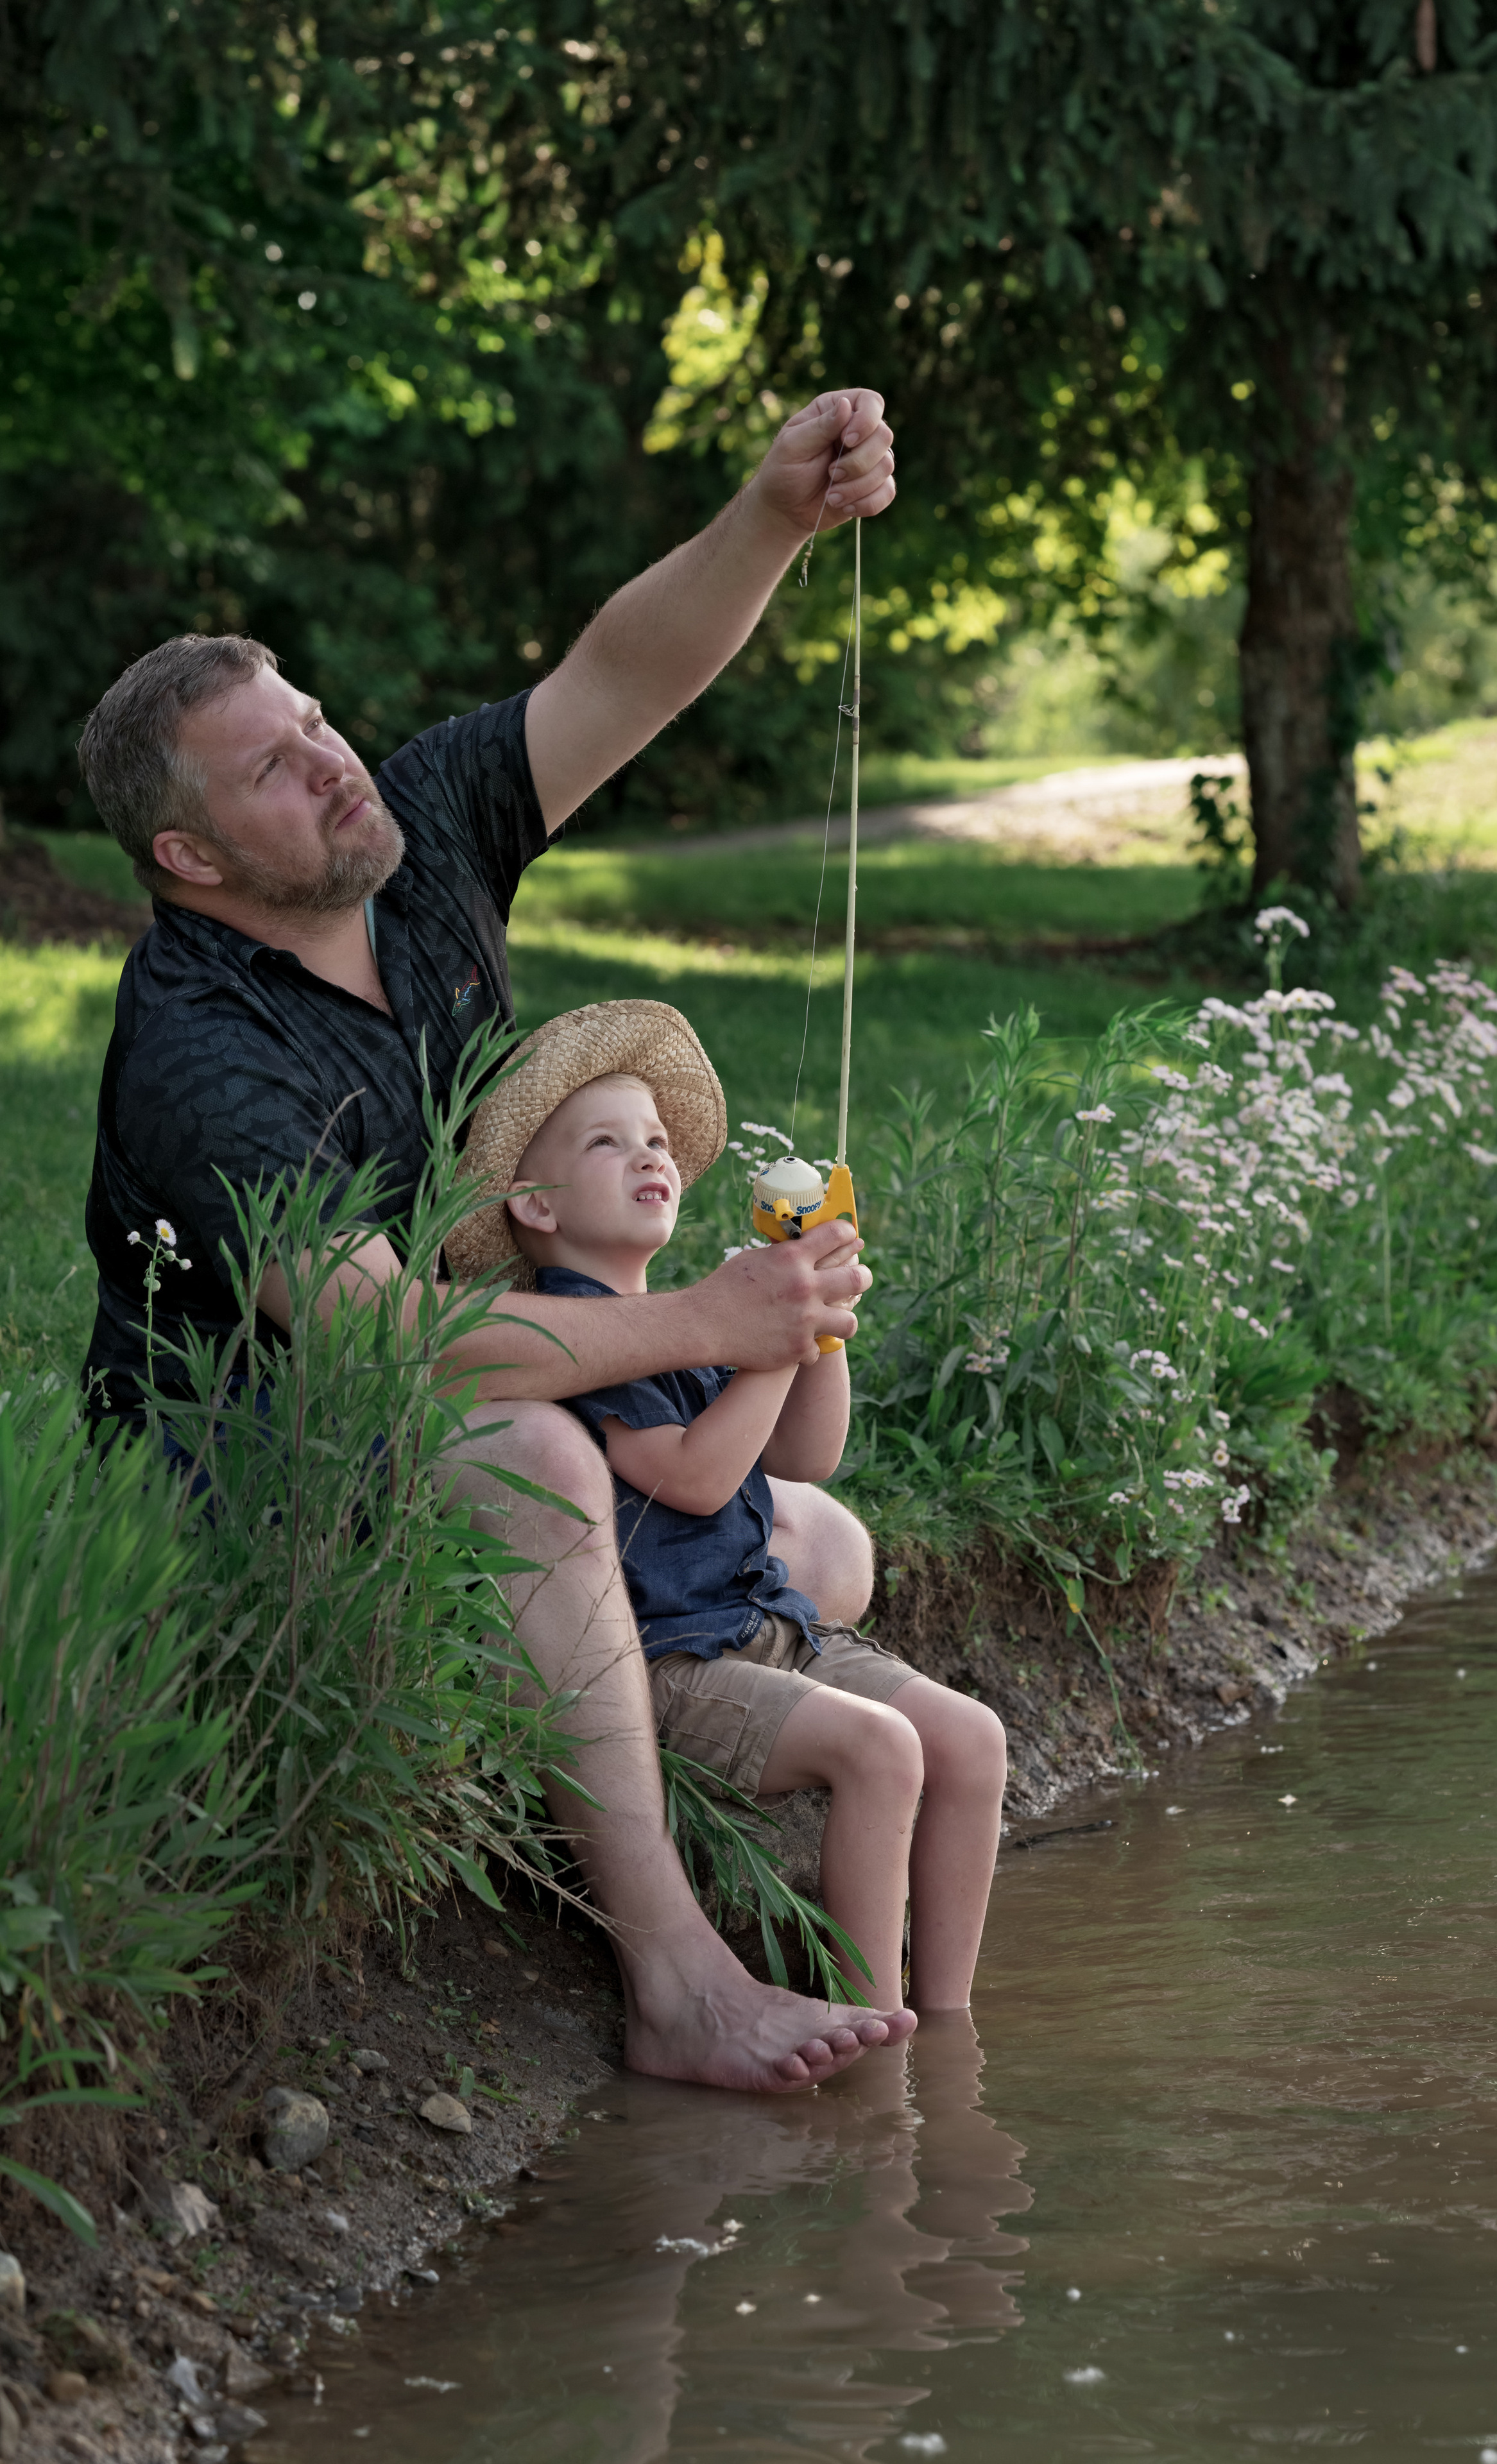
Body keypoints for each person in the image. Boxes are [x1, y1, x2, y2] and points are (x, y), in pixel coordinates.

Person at [74, 388, 921, 2092]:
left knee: (822, 1546)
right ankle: (675, 1977)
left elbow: (618, 679)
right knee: (534, 1449)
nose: (330, 759)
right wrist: (707, 1318)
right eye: (274, 767)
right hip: (250, 1474)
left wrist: (769, 513)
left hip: (469, 1403)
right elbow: (404, 1355)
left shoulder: (411, 835)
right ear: (187, 857)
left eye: (312, 719)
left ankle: (716, 1764)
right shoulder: (203, 1057)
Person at [444, 1000, 1009, 2012]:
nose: (648, 1155)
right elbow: (693, 1477)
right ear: (534, 1205)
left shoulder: (693, 1316)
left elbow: (806, 1453)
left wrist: (818, 1324)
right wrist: (763, 1340)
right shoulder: (580, 1328)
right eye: (607, 1143)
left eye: (656, 1139)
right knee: (882, 1751)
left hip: (764, 1622)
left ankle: (952, 2023)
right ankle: (877, 2029)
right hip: (672, 1661)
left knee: (971, 1739)